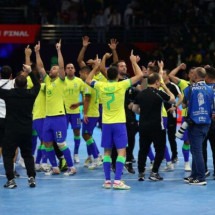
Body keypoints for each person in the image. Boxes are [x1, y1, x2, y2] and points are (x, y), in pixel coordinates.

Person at [86, 50, 143, 190]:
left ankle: (107, 181)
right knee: (121, 151)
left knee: (107, 152)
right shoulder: (121, 85)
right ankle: (117, 181)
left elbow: (87, 80)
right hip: (119, 123)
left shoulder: (101, 85)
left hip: (106, 124)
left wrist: (95, 67)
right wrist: (134, 62)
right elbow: (140, 76)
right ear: (118, 75)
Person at [35, 40, 76, 176]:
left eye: (55, 69)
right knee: (47, 143)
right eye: (52, 68)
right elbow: (40, 67)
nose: (53, 69)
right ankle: (54, 167)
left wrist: (59, 50)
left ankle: (71, 167)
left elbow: (62, 66)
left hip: (59, 118)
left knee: (61, 144)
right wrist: (37, 52)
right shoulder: (47, 81)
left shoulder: (61, 81)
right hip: (48, 118)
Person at [0, 64, 40, 188]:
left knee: (7, 155)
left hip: (11, 130)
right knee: (27, 154)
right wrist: (30, 72)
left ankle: (11, 180)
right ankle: (31, 178)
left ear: (15, 84)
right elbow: (38, 85)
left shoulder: (9, 94)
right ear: (26, 85)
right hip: (26, 129)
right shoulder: (31, 94)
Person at [132, 72, 175, 181]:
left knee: (143, 150)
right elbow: (173, 99)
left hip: (143, 126)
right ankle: (154, 172)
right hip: (157, 127)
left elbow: (134, 109)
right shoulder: (159, 93)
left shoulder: (141, 94)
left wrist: (142, 113)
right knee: (160, 150)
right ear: (157, 82)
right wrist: (164, 86)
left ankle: (141, 173)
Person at [183, 67, 214, 185]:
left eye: (192, 74)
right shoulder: (210, 89)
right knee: (196, 149)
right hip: (207, 123)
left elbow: (185, 105)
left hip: (194, 123)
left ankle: (200, 178)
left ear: (195, 76)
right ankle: (194, 175)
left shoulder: (190, 89)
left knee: (196, 151)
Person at [72, 66, 102, 169]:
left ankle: (96, 157)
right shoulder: (94, 82)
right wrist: (78, 104)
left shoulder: (88, 84)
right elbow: (87, 100)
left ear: (85, 73)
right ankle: (96, 155)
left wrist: (85, 114)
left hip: (90, 114)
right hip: (94, 113)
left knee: (86, 135)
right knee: (88, 135)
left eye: (80, 74)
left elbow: (88, 99)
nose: (80, 76)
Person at [169, 63, 194, 171]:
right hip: (187, 117)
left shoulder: (203, 84)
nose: (193, 75)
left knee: (199, 142)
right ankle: (187, 163)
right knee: (187, 141)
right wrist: (179, 67)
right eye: (191, 73)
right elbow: (170, 75)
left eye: (195, 72)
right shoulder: (184, 83)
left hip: (199, 116)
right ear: (188, 75)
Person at [64, 62, 84, 163]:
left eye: (72, 68)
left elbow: (86, 97)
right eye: (68, 68)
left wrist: (79, 104)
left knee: (77, 132)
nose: (70, 69)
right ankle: (63, 156)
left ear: (75, 70)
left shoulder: (79, 81)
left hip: (75, 112)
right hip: (63, 112)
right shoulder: (61, 81)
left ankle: (76, 154)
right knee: (62, 134)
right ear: (65, 70)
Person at [162, 69, 183, 164]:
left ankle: (174, 155)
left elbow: (181, 96)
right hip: (160, 114)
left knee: (171, 136)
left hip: (170, 114)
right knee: (160, 136)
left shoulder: (173, 86)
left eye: (163, 73)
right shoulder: (158, 85)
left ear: (167, 76)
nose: (161, 75)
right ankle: (163, 154)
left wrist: (175, 107)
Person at [203, 66, 215, 178]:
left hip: (204, 121)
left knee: (202, 147)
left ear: (207, 77)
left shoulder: (203, 89)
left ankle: (204, 170)